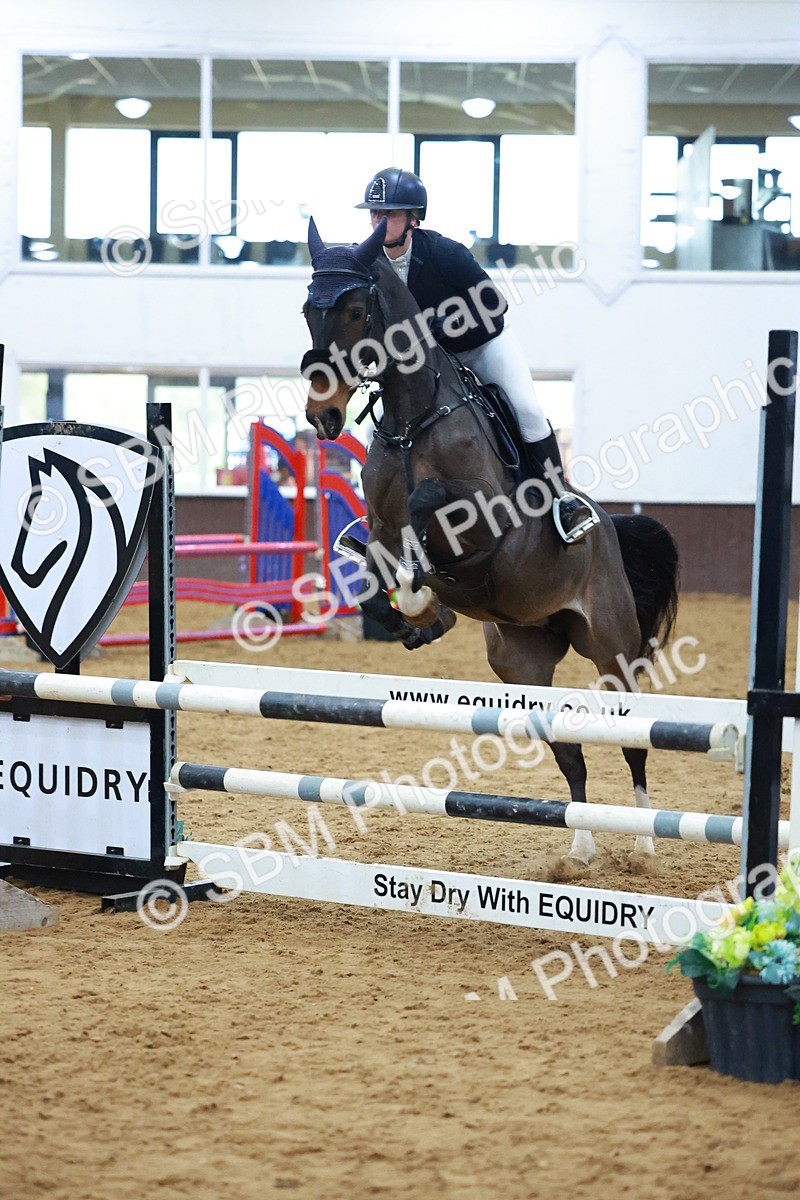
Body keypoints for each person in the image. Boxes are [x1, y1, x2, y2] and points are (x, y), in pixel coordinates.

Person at [356, 167, 599, 545]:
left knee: (528, 411)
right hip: (428, 365)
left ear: (414, 218)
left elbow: (493, 306)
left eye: (390, 213)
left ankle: (561, 499)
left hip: (482, 346)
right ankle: (379, 521)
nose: (378, 221)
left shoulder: (445, 254)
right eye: (375, 213)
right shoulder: (369, 265)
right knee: (372, 429)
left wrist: (438, 328)